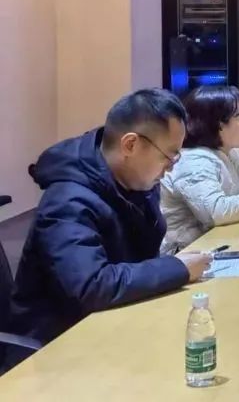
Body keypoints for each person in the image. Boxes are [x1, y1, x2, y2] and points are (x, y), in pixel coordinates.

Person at [5, 90, 210, 359]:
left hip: (118, 324)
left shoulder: (137, 183)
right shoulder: (68, 201)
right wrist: (177, 268)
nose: (170, 168)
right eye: (168, 157)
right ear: (130, 145)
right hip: (57, 348)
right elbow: (92, 286)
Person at [160, 86, 239, 251]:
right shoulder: (194, 161)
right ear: (219, 125)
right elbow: (216, 212)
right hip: (185, 252)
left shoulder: (231, 151)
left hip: (220, 242)